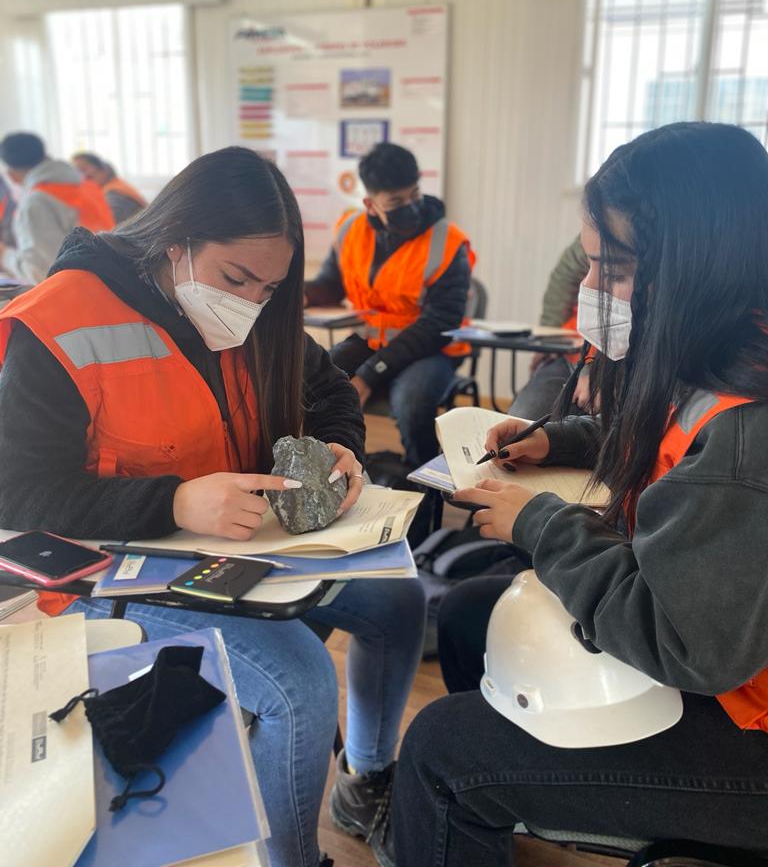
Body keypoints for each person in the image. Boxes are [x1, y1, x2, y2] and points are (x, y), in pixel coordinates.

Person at [0, 147, 424, 867]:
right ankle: (293, 859)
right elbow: (16, 491)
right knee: (296, 684)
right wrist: (173, 501)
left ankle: (367, 780)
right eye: (236, 279)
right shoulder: (59, 322)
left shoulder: (259, 311)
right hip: (104, 567)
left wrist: (335, 444)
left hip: (232, 543)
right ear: (176, 242)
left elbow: (326, 391)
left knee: (397, 602)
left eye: (270, 286)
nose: (251, 302)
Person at [387, 122, 768, 866]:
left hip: (742, 720)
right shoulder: (724, 349)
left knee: (441, 752)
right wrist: (558, 440)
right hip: (718, 658)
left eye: (616, 270)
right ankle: (507, 816)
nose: (590, 291)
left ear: (705, 266)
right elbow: (662, 433)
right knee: (470, 613)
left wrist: (541, 525)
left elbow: (683, 643)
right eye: (592, 264)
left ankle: (482, 801)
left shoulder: (748, 432)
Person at [305, 142, 474, 467]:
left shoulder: (448, 242)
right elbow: (331, 283)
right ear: (370, 203)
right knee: (320, 381)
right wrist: (304, 294)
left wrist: (371, 374)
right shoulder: (351, 231)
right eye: (396, 201)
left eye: (414, 194)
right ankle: (347, 472)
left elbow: (439, 323)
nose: (410, 206)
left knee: (412, 403)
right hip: (372, 342)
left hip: (430, 349)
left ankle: (427, 487)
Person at [0, 132, 114, 284]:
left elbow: (44, 273)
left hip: (76, 293)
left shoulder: (36, 203)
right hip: (111, 284)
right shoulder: (87, 187)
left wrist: (4, 256)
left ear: (11, 175)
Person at [508, 235, 590, 419]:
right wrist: (548, 342)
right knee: (519, 424)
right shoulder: (596, 226)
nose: (589, 285)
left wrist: (593, 370)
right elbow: (564, 279)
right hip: (570, 355)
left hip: (623, 371)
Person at [72, 151, 147, 223]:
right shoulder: (112, 187)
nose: (80, 177)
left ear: (103, 171)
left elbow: (108, 226)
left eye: (82, 170)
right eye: (75, 172)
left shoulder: (115, 194)